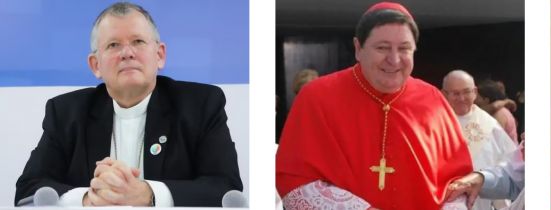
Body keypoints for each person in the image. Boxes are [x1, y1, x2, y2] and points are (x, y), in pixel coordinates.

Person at [15, 2, 243, 207]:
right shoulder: (66, 112)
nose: (127, 53)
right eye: (113, 45)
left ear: (160, 55)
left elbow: (226, 187)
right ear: (96, 65)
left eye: (138, 41)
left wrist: (148, 193)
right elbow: (27, 191)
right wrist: (88, 198)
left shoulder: (200, 105)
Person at [276, 2, 473, 210]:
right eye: (382, 48)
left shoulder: (433, 99)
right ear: (358, 48)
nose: (394, 59)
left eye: (404, 48)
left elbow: (458, 182)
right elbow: (295, 181)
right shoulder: (316, 97)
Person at [442, 70, 518, 209]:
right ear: (444, 94)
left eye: (466, 92)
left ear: (475, 92)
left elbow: (506, 167)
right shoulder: (433, 122)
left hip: (479, 201)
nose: (462, 98)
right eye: (455, 93)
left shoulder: (490, 126)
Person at [476, 79, 518, 144]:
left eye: (477, 96)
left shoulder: (499, 114)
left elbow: (495, 141)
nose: (474, 99)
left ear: (486, 100)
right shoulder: (494, 110)